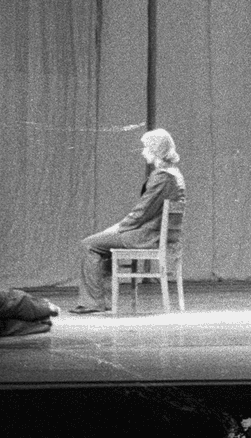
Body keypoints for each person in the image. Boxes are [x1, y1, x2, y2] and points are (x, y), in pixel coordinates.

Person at [74, 128, 187, 313]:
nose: (143, 152)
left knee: (89, 244)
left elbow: (140, 213)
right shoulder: (175, 175)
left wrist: (115, 229)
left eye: (146, 148)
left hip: (147, 237)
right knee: (102, 245)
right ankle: (99, 300)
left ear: (156, 150)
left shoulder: (162, 177)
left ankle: (93, 303)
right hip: (155, 235)